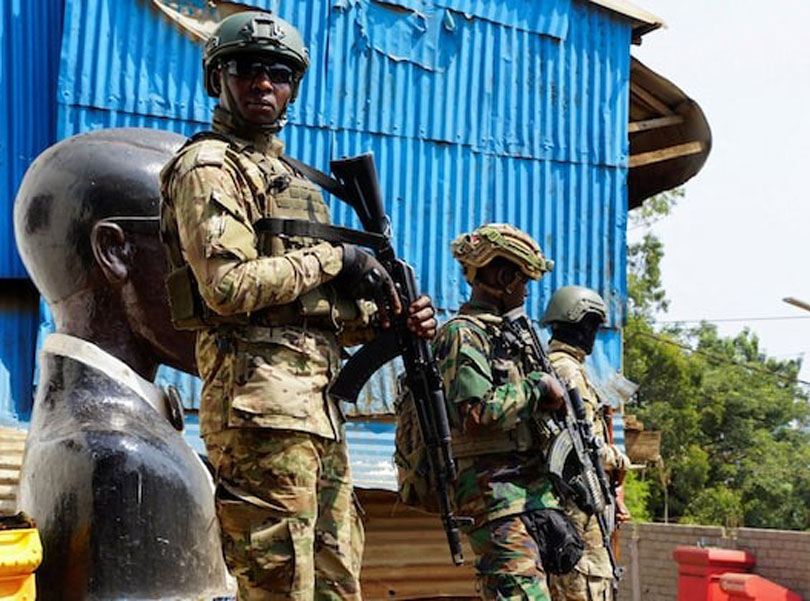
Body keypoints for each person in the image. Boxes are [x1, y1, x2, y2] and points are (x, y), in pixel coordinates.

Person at [158, 11, 436, 600]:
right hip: (257, 411)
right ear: (218, 80)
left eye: (280, 74)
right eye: (248, 70)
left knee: (338, 584)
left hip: (318, 408)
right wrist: (335, 260)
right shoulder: (209, 168)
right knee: (280, 588)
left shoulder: (293, 179)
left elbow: (313, 317)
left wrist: (386, 322)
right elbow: (228, 288)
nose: (265, 84)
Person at [13, 128, 229, 600]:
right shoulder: (121, 457)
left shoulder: (89, 430)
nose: (226, 285)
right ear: (114, 251)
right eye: (201, 250)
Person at [433, 223, 584, 600]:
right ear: (502, 277)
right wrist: (538, 389)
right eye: (523, 282)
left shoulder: (509, 336)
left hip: (527, 492)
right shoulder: (462, 334)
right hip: (494, 494)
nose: (527, 292)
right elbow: (476, 412)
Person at [541, 286, 631, 601]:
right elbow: (579, 446)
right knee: (585, 586)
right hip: (575, 507)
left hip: (577, 504)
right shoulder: (567, 371)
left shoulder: (562, 367)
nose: (594, 333)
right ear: (577, 324)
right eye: (591, 324)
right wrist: (618, 459)